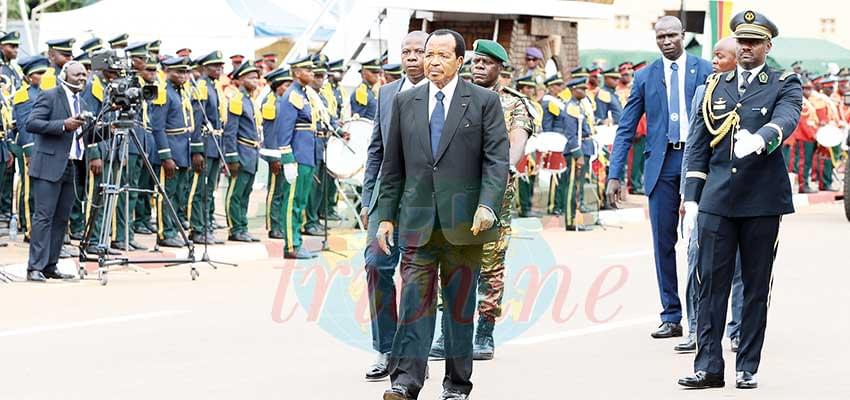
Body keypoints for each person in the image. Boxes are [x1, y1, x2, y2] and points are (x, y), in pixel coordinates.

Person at [375, 29, 509, 400]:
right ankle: (405, 382)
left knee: (459, 307)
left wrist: (487, 205)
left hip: (465, 222)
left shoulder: (482, 102)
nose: (431, 62)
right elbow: (393, 166)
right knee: (414, 302)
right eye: (427, 55)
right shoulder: (405, 102)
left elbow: (496, 161)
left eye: (441, 56)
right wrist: (386, 215)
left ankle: (456, 385)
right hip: (417, 220)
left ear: (459, 61)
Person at [679, 10, 801, 389]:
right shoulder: (715, 85)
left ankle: (746, 365)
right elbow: (698, 146)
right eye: (742, 41)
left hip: (761, 201)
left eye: (754, 42)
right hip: (716, 199)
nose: (746, 48)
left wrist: (763, 137)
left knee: (753, 287)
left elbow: (788, 117)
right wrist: (692, 199)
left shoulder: (784, 82)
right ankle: (709, 368)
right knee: (710, 284)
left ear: (768, 46)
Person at [607, 16, 712, 339]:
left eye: (672, 36)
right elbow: (626, 127)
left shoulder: (707, 70)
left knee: (702, 242)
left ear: (684, 36)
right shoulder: (644, 77)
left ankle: (703, 316)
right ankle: (671, 314)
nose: (667, 41)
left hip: (698, 163)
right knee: (663, 244)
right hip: (662, 165)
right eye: (660, 37)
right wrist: (615, 174)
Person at [359, 30, 428, 382]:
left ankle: (415, 354)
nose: (412, 56)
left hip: (425, 204)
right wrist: (368, 198)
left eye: (419, 50)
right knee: (375, 265)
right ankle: (384, 348)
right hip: (386, 201)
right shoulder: (386, 93)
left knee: (417, 278)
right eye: (406, 51)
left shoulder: (442, 95)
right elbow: (376, 149)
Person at [675, 37, 743, 354]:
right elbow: (695, 146)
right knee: (697, 262)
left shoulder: (759, 90)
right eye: (713, 55)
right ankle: (694, 328)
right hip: (708, 191)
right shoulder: (704, 92)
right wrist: (686, 196)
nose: (714, 61)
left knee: (742, 267)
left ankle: (739, 329)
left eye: (721, 56)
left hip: (745, 193)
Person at [467, 39, 532, 360]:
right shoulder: (457, 94)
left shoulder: (515, 103)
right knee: (450, 260)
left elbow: (518, 139)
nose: (478, 68)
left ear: (499, 68)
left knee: (490, 263)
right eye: (475, 62)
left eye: (485, 63)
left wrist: (504, 167)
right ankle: (450, 330)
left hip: (494, 195)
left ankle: (484, 332)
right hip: (455, 192)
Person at [25, 61, 91, 281]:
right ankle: (35, 267)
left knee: (62, 219)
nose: (82, 78)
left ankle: (50, 266)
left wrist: (107, 130)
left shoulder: (80, 101)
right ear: (65, 75)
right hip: (48, 166)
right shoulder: (50, 95)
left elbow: (83, 137)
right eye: (77, 74)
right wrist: (63, 125)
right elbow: (32, 123)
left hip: (71, 166)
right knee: (43, 217)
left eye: (84, 74)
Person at [276, 55, 319, 259]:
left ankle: (297, 242)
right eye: (307, 70)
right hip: (297, 155)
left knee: (301, 201)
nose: (312, 73)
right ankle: (291, 245)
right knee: (292, 202)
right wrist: (287, 159)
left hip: (307, 154)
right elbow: (284, 129)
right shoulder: (292, 95)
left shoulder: (304, 95)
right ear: (296, 73)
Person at [188, 50, 228, 245]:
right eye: (214, 65)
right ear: (204, 68)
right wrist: (196, 149)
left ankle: (206, 226)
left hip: (215, 144)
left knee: (210, 190)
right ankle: (197, 228)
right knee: (201, 190)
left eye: (221, 66)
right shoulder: (202, 86)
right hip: (204, 144)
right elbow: (197, 118)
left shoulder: (214, 87)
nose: (219, 69)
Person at [153, 56, 192, 248]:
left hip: (183, 149)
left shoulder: (181, 93)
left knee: (178, 194)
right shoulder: (163, 92)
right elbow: (157, 127)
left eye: (185, 72)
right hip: (171, 149)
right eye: (178, 72)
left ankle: (173, 230)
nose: (183, 76)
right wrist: (165, 155)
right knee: (166, 193)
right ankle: (164, 232)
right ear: (168, 72)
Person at [10, 56, 50, 243]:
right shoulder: (23, 94)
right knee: (30, 189)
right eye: (38, 73)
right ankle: (29, 229)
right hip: (31, 148)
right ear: (28, 76)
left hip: (46, 147)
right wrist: (28, 152)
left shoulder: (45, 93)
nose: (41, 76)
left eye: (44, 72)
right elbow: (25, 125)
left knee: (42, 191)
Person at [223, 61, 262, 243]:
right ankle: (235, 228)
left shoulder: (249, 100)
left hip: (251, 152)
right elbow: (230, 131)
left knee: (246, 193)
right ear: (240, 80)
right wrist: (231, 157)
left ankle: (243, 226)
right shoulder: (237, 99)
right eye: (251, 77)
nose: (255, 80)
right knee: (235, 193)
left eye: (256, 77)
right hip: (241, 150)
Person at [260, 68, 292, 239]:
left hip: (285, 153)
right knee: (275, 191)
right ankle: (273, 226)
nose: (289, 88)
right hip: (276, 154)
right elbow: (270, 132)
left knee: (283, 190)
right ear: (277, 86)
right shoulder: (270, 103)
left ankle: (280, 224)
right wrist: (274, 157)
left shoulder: (283, 101)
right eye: (286, 85)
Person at [561, 78, 591, 231]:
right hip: (576, 151)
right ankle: (570, 220)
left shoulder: (579, 106)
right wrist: (578, 154)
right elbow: (570, 134)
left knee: (578, 187)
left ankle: (576, 219)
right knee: (572, 187)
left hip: (584, 147)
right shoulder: (571, 107)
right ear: (573, 90)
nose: (584, 92)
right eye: (581, 89)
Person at [515, 74, 543, 217]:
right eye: (527, 87)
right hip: (521, 144)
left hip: (534, 144)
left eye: (532, 87)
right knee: (522, 176)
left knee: (532, 176)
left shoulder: (536, 105)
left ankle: (529, 205)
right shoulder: (515, 102)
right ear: (520, 88)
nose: (531, 90)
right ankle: (523, 207)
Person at [541, 74, 568, 215]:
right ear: (550, 87)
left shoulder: (559, 101)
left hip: (563, 141)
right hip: (555, 142)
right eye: (557, 85)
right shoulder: (548, 102)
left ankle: (560, 204)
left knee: (561, 175)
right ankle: (553, 205)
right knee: (555, 175)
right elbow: (547, 126)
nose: (560, 88)